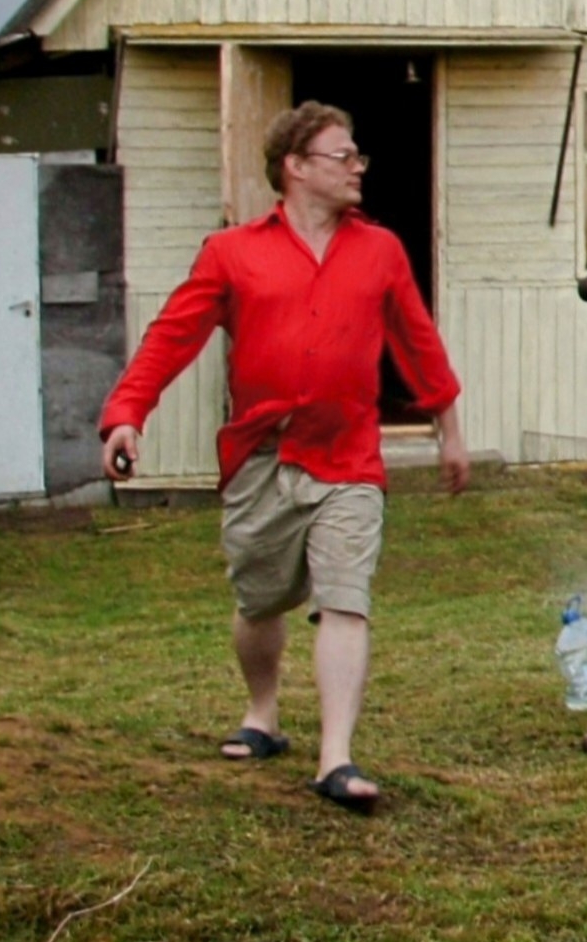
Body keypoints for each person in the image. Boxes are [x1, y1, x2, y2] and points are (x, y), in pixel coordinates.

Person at [98, 101, 466, 813]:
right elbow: (172, 336)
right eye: (342, 155)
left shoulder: (381, 250)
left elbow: (418, 341)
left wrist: (448, 427)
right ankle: (262, 712)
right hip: (262, 455)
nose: (358, 167)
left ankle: (337, 757)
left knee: (345, 599)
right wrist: (126, 415)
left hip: (348, 456)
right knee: (260, 598)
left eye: (357, 155)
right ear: (295, 166)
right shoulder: (231, 252)